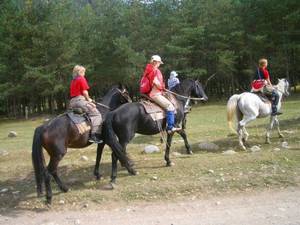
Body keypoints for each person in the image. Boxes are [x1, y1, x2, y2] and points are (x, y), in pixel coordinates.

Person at [142, 55, 181, 133]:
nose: (159, 64)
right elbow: (155, 82)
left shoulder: (148, 70)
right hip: (155, 94)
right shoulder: (154, 70)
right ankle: (170, 127)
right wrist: (162, 87)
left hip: (153, 93)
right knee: (170, 107)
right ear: (155, 62)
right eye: (159, 62)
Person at [69, 65, 102, 143]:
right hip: (80, 101)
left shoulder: (73, 80)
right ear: (80, 72)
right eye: (83, 72)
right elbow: (84, 92)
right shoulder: (81, 79)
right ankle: (94, 135)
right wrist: (89, 100)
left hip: (72, 102)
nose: (84, 74)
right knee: (96, 114)